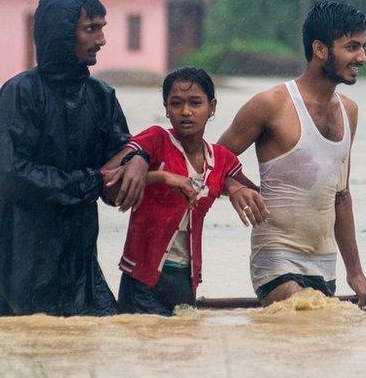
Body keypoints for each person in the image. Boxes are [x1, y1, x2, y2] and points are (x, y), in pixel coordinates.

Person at [0, 0, 148, 317]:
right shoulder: (20, 94)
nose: (101, 40)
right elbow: (10, 174)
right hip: (22, 264)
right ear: (60, 33)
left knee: (97, 341)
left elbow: (121, 158)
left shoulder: (101, 97)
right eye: (91, 29)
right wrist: (92, 181)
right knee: (29, 343)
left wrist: (139, 158)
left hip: (80, 264)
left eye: (102, 28)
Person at [218, 1, 366, 307]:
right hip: (275, 258)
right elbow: (212, 159)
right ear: (320, 49)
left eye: (363, 47)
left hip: (324, 263)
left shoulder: (349, 111)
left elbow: (341, 196)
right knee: (297, 309)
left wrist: (355, 273)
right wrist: (235, 185)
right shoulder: (271, 104)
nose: (362, 57)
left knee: (318, 345)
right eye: (352, 47)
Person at [102, 67, 267, 315]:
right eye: (176, 103)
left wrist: (236, 187)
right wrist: (162, 177)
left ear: (212, 107)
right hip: (141, 280)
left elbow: (254, 192)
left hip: (185, 279)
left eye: (195, 103)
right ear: (166, 109)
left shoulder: (221, 158)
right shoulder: (155, 140)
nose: (186, 111)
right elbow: (105, 180)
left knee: (185, 349)